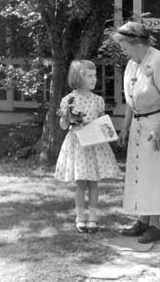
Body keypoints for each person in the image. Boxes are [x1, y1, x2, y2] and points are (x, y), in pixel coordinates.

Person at [113, 21, 160, 243]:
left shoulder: (158, 60)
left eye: (125, 46)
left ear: (137, 42)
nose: (123, 50)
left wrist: (158, 129)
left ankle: (155, 225)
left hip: (157, 124)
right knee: (139, 173)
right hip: (138, 125)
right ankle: (142, 221)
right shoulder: (132, 64)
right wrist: (125, 128)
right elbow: (131, 100)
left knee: (154, 173)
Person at [54, 60, 121, 233]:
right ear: (78, 78)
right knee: (80, 183)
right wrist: (65, 117)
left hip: (94, 144)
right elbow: (63, 126)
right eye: (89, 76)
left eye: (95, 75)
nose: (94, 79)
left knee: (93, 183)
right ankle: (79, 217)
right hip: (78, 144)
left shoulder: (97, 100)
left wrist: (107, 131)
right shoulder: (69, 100)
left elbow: (103, 122)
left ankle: (93, 218)